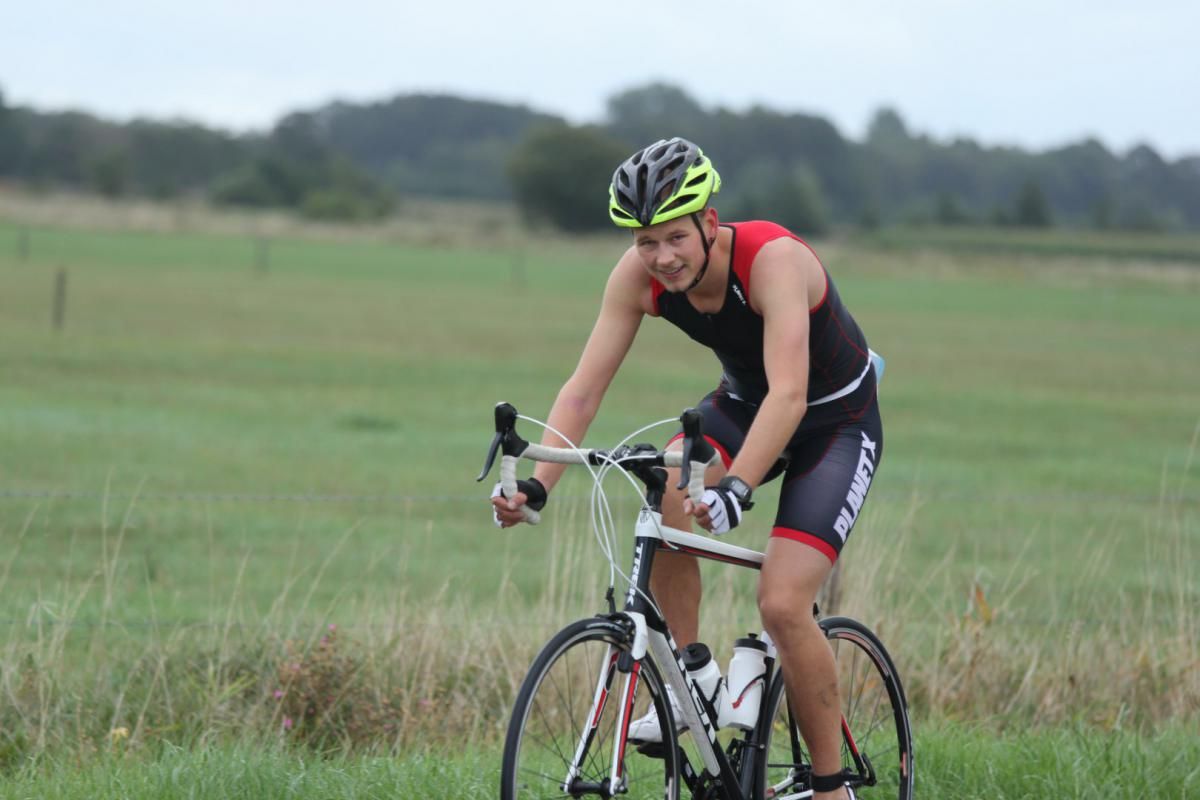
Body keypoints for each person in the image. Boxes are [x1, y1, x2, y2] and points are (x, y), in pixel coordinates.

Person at [491, 137, 882, 800]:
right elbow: (583, 391)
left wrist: (737, 487)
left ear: (709, 221)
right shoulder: (636, 276)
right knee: (667, 482)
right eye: (646, 242)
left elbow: (790, 395)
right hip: (741, 405)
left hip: (834, 423)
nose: (663, 257)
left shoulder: (772, 259)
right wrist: (538, 485)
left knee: (783, 603)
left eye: (675, 237)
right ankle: (692, 679)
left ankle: (829, 787)